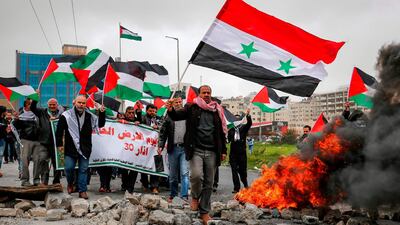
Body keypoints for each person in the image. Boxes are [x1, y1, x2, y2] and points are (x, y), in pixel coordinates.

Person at [166, 85, 227, 225]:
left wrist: (223, 150)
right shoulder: (191, 107)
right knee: (196, 176)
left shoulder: (217, 110)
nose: (206, 94)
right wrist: (170, 109)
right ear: (199, 94)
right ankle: (194, 197)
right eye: (204, 92)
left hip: (212, 151)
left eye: (209, 92)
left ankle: (204, 211)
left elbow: (222, 133)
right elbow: (177, 115)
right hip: (196, 150)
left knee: (209, 183)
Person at [55, 95, 105, 199]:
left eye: (83, 103)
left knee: (83, 170)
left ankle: (82, 191)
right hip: (70, 148)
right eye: (79, 102)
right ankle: (70, 184)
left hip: (85, 148)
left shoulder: (89, 116)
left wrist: (102, 112)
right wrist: (59, 145)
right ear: (74, 103)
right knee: (68, 168)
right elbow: (59, 131)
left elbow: (100, 124)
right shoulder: (66, 115)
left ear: (85, 104)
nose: (81, 105)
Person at [158, 97, 189, 202]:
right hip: (173, 148)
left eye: (180, 102)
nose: (179, 103)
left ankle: (184, 196)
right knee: (173, 175)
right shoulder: (169, 117)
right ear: (173, 104)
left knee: (184, 173)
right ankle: (173, 195)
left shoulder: (188, 115)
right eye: (176, 102)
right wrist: (160, 146)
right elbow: (163, 132)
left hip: (185, 148)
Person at [31, 93, 64, 184]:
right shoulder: (42, 112)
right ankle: (44, 181)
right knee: (43, 160)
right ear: (47, 105)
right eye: (50, 105)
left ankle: (56, 181)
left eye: (54, 104)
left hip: (57, 143)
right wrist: (35, 98)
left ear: (57, 105)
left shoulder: (62, 115)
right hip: (44, 142)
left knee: (57, 162)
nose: (52, 106)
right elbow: (32, 108)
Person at [13, 99, 47, 186]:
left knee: (37, 160)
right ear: (25, 106)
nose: (31, 106)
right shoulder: (20, 114)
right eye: (29, 104)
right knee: (25, 160)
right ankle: (25, 180)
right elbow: (17, 127)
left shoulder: (38, 114)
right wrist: (16, 119)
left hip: (37, 141)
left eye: (32, 104)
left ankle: (36, 180)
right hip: (26, 140)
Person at [228, 109, 252, 193]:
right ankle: (236, 188)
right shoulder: (231, 130)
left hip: (242, 153)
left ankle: (245, 184)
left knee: (242, 171)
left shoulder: (243, 128)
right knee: (234, 171)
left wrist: (248, 115)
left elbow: (249, 124)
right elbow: (228, 140)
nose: (237, 120)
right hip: (233, 153)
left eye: (238, 119)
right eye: (235, 119)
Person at [140, 104, 162, 194]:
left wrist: (158, 127)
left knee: (155, 166)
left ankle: (154, 186)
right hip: (145, 146)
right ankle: (145, 184)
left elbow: (164, 127)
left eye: (154, 111)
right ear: (147, 111)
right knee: (144, 166)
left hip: (155, 147)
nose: (153, 113)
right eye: (150, 111)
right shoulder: (143, 118)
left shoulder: (159, 119)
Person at [119, 106, 141, 193]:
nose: (131, 114)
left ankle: (130, 187)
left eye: (133, 113)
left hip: (135, 150)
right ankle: (124, 185)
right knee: (124, 169)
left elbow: (144, 126)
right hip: (124, 149)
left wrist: (139, 122)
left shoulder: (138, 121)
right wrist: (119, 121)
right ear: (125, 113)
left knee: (134, 168)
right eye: (129, 113)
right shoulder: (121, 120)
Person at [0, 106, 8, 177]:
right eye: (6, 111)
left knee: (0, 155)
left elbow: (6, 130)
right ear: (2, 112)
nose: (7, 112)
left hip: (2, 140)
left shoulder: (4, 120)